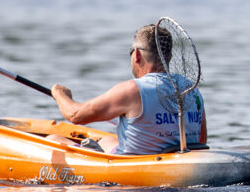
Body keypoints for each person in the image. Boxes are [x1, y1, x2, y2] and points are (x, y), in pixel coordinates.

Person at [50, 23, 206, 154]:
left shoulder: (131, 90)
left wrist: (60, 94)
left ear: (136, 54)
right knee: (107, 140)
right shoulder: (191, 89)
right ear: (169, 57)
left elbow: (75, 115)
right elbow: (201, 142)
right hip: (179, 164)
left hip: (136, 172)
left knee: (53, 140)